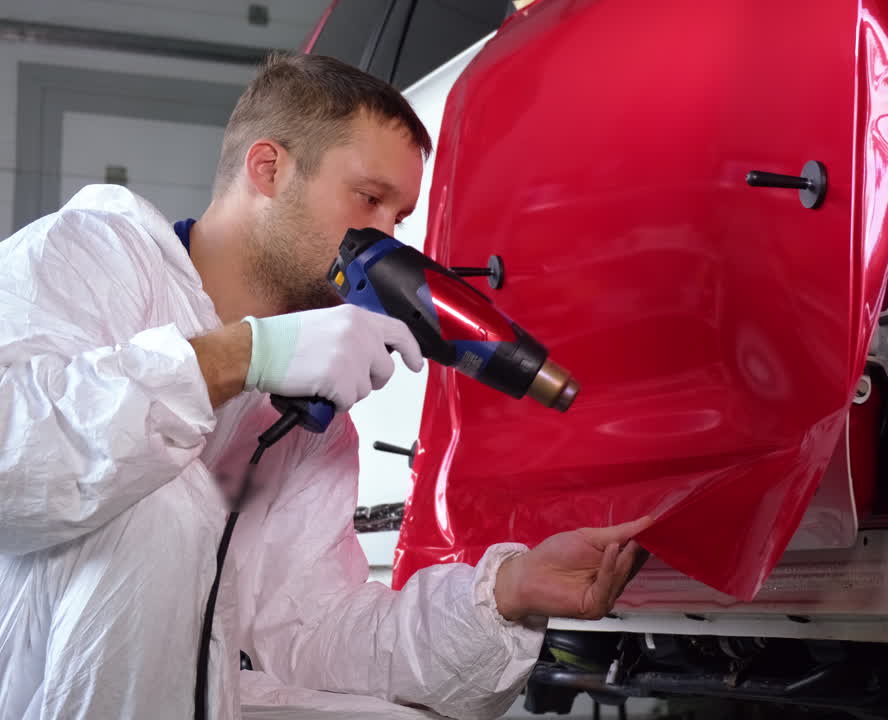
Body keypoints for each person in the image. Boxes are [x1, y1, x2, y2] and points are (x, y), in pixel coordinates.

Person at [0, 53, 650, 719]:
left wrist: (506, 593)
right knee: (164, 499)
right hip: (37, 686)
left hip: (185, 694)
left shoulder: (308, 418)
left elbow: (310, 628)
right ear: (268, 169)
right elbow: (14, 461)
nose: (388, 240)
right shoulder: (90, 256)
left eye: (399, 218)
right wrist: (245, 355)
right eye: (368, 200)